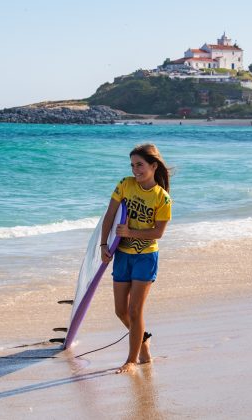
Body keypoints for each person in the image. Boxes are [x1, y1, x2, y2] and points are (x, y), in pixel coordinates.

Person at [100, 144, 172, 374]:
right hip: (123, 254)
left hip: (146, 256)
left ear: (153, 166)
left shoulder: (163, 198)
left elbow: (158, 233)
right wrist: (104, 244)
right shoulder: (125, 184)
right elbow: (110, 216)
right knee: (120, 310)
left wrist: (130, 233)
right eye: (132, 165)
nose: (135, 170)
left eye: (139, 165)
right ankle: (143, 339)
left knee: (134, 311)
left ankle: (132, 359)